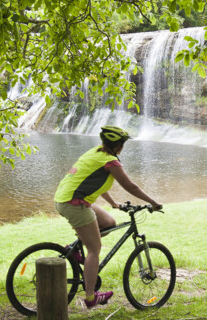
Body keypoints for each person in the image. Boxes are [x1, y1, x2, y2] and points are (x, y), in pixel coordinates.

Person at [53, 125, 162, 308]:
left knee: (108, 222)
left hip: (66, 198)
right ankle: (90, 297)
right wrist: (153, 202)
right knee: (95, 249)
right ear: (118, 145)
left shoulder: (96, 153)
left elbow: (97, 183)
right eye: (123, 144)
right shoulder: (111, 161)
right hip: (74, 203)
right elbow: (130, 186)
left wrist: (113, 204)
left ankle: (75, 249)